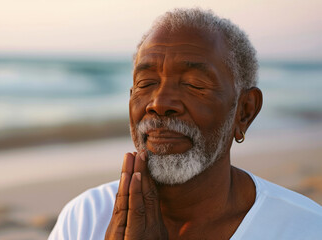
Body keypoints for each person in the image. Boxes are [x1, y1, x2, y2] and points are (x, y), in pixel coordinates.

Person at [49, 8, 322, 240]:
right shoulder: (84, 218)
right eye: (146, 83)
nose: (159, 103)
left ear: (245, 111)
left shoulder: (306, 228)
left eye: (194, 84)